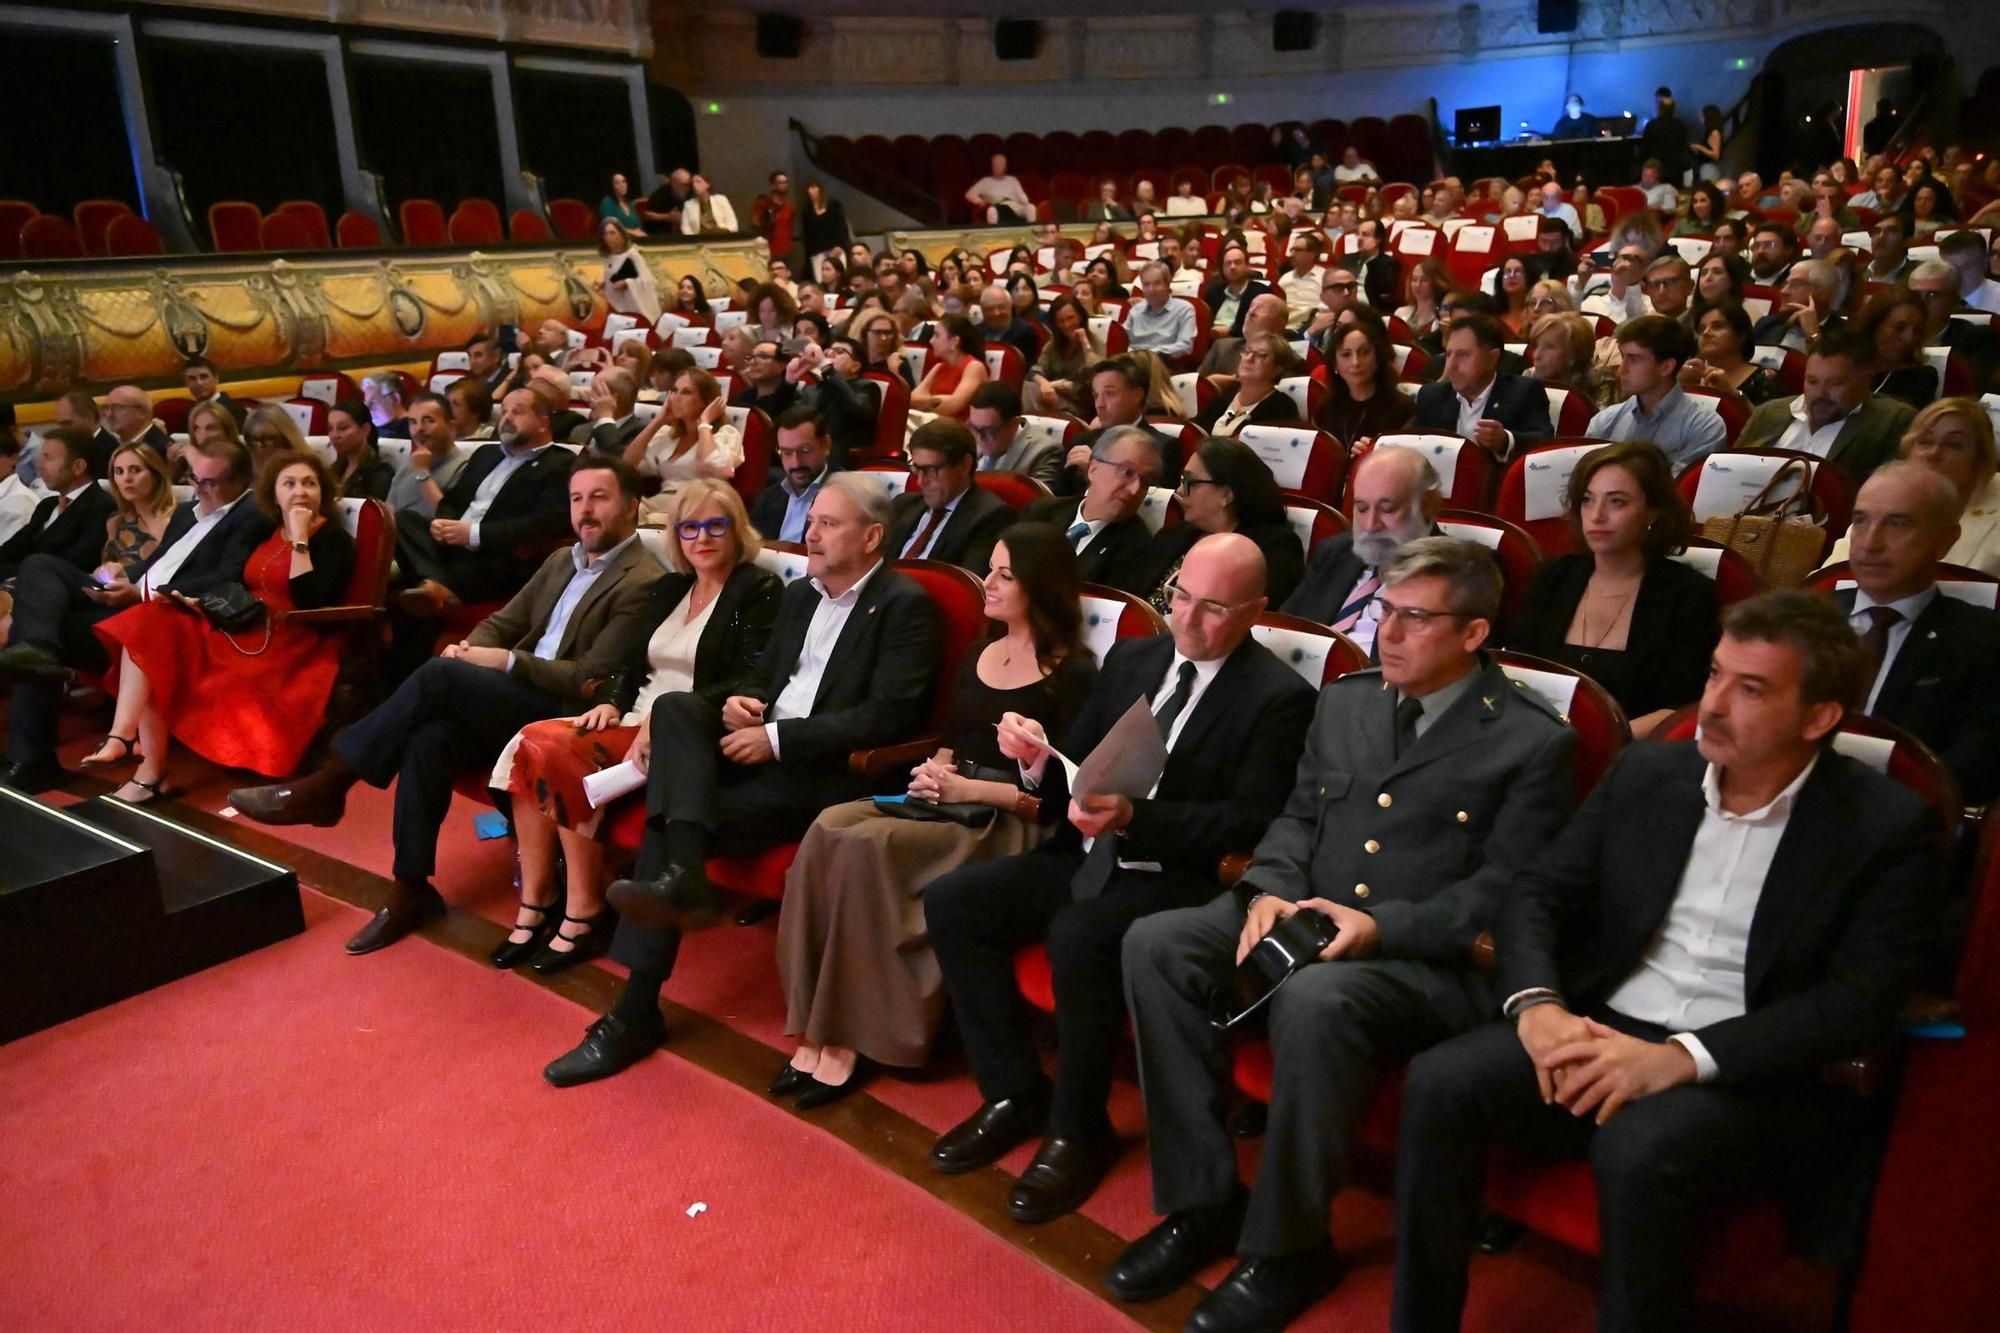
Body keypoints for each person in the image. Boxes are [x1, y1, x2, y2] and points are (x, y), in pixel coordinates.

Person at [1392, 589, 1947, 1333]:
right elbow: (1538, 893)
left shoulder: (1886, 825)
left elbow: (1860, 998)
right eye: (1715, 674)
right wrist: (1538, 1006)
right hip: (1605, 1019)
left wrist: (1683, 1059)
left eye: (1751, 689)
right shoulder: (1649, 773)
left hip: (1747, 1069)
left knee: (1640, 1147)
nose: (1712, 705)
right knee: (1442, 1081)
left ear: (1819, 717)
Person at [1110, 538, 1577, 1328]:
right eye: (1386, 610)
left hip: (1422, 956)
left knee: (1318, 999)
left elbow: (1505, 891)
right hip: (1305, 909)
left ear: (1473, 633)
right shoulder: (1350, 700)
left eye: (1415, 618)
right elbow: (1299, 815)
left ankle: (1289, 1247)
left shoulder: (1532, 739)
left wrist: (1379, 926)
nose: (1387, 632)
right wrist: (1269, 887)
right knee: (1156, 944)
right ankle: (1203, 1200)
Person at [923, 532, 1317, 1222]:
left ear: (1256, 611)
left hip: (1178, 875)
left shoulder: (1279, 696)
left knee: (1080, 935)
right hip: (1089, 854)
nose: (1187, 619)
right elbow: (1079, 765)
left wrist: (1138, 816)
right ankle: (1014, 1090)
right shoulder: (1136, 656)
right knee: (956, 901)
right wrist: (1036, 759)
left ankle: (1079, 1129)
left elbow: (1249, 821)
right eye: (1180, 597)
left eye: (1214, 608)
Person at [543, 474, 944, 1085]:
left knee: (671, 822)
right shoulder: (801, 595)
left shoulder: (903, 605)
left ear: (871, 537)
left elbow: (889, 716)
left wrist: (776, 738)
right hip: (758, 744)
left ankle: (634, 1009)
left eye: (828, 523)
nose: (811, 533)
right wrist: (745, 703)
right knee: (676, 709)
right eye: (812, 521)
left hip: (822, 773)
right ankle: (681, 880)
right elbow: (766, 676)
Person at [230, 456, 661, 949]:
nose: (584, 510)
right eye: (576, 498)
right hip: (517, 696)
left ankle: (330, 784)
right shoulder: (563, 560)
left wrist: (501, 662)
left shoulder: (642, 578)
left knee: (439, 675)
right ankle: (410, 887)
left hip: (567, 714)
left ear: (631, 506)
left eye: (599, 498)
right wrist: (469, 648)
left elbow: (589, 678)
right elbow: (503, 621)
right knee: (431, 736)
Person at [774, 523, 1097, 1105]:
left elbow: (1055, 799)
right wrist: (933, 771)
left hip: (1005, 822)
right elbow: (950, 742)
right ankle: (816, 1022)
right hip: (948, 799)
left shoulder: (1071, 673)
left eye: (1005, 575)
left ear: (1041, 587)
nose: (988, 584)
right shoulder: (979, 653)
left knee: (868, 849)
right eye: (990, 569)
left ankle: (862, 1039)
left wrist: (967, 789)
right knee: (828, 827)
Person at [492, 479, 781, 974]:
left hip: (686, 729)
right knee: (528, 743)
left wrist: (665, 712)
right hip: (632, 718)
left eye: (715, 525)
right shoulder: (669, 588)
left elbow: (750, 677)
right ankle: (536, 903)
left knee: (553, 751)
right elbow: (627, 665)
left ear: (737, 530)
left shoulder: (756, 590)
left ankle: (582, 912)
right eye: (689, 527)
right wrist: (610, 701)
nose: (702, 538)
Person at [82, 447, 356, 802]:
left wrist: (301, 538)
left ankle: (144, 768)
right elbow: (243, 584)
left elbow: (309, 599)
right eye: (289, 484)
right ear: (274, 494)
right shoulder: (270, 533)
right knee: (149, 624)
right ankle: (127, 744)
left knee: (157, 643)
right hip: (244, 626)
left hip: (293, 640)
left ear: (323, 491)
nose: (300, 492)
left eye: (309, 483)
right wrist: (202, 604)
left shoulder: (332, 539)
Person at [0, 436, 273, 793]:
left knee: (40, 633)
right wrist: (119, 575)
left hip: (167, 615)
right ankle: (38, 653)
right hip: (133, 599)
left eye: (211, 482)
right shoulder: (189, 511)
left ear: (241, 481)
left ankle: (33, 758)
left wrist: (141, 593)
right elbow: (157, 564)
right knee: (39, 571)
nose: (200, 489)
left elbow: (227, 577)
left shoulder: (250, 516)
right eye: (195, 479)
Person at [1510, 442, 1720, 734]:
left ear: (1653, 513)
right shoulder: (1554, 577)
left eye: (1617, 502)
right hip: (1535, 741)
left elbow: (1682, 708)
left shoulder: (1687, 594)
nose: (1597, 515)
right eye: (1587, 500)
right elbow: (1517, 671)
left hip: (1632, 751)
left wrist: (1599, 744)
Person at [1829, 461, 2000, 803]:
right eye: (1860, 520)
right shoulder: (1803, 620)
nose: (1870, 543)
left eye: (1897, 523)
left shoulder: (1982, 640)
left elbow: (1971, 770)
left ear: (1945, 540)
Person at [1283, 445, 1442, 644]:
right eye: (1361, 508)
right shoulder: (1335, 552)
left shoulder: (1453, 574)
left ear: (1427, 504)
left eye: (1387, 509)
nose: (1370, 525)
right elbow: (1285, 628)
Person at [1832, 399, 1999, 576]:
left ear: (1981, 458)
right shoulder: (1883, 497)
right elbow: (1832, 576)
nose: (1934, 453)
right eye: (1925, 442)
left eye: (1953, 445)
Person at [1138, 435, 1304, 611]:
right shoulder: (1174, 535)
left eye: (1189, 482)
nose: (1180, 491)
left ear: (1227, 494)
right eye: (1181, 480)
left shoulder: (1272, 549)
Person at [1736, 328, 1915, 479]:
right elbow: (1731, 471)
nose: (1820, 394)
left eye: (1835, 383)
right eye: (1812, 381)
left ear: (1866, 380)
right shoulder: (1768, 413)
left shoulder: (1892, 422)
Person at [1024, 425, 1161, 592]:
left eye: (1146, 482)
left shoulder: (1137, 550)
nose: (1134, 490)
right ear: (1093, 469)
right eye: (1127, 472)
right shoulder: (1042, 511)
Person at [1587, 316, 1727, 469]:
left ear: (1666, 367)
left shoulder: (1704, 427)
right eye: (1622, 357)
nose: (1621, 370)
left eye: (1634, 359)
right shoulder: (1604, 420)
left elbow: (1681, 484)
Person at [1412, 313, 1553, 461]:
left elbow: (1544, 441)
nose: (1451, 366)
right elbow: (1411, 442)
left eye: (1463, 355)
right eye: (1448, 354)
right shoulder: (1432, 396)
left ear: (1492, 358)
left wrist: (1505, 440)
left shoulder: (1523, 392)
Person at [887, 419, 1013, 574]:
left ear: (965, 465)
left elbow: (966, 584)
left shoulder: (991, 518)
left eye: (931, 470)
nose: (920, 481)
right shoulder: (903, 505)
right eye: (917, 468)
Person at [0, 428, 118, 584]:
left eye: (48, 458)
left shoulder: (101, 506)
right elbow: (10, 551)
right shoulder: (47, 506)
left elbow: (72, 564)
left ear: (78, 467)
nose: (40, 466)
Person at [625, 367, 744, 505]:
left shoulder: (725, 434)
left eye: (686, 392)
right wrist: (658, 420)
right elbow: (628, 464)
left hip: (698, 504)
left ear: (706, 401)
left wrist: (704, 422)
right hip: (661, 501)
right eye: (675, 391)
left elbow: (711, 463)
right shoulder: (668, 435)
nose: (676, 398)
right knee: (621, 511)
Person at [1316, 317, 1416, 448]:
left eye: (1365, 352)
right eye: (1346, 355)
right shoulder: (1324, 408)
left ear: (1378, 358)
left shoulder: (1402, 408)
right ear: (1334, 364)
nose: (1356, 362)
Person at [751, 406, 838, 544]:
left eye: (805, 450)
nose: (796, 462)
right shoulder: (767, 500)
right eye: (786, 452)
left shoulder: (846, 498)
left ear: (825, 445)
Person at [1194, 334, 1303, 441]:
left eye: (1261, 355)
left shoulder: (1282, 407)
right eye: (1247, 352)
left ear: (1277, 370)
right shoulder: (1224, 397)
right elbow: (1196, 432)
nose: (1249, 358)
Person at [386, 391, 473, 520]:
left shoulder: (465, 467)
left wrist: (422, 472)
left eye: (428, 420)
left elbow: (449, 519)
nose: (418, 429)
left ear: (450, 426)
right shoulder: (409, 463)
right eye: (413, 422)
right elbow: (389, 510)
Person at [1679, 299, 1785, 404]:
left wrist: (1732, 393)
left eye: (1718, 327)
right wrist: (1681, 386)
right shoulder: (1693, 376)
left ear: (1742, 335)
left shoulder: (1764, 378)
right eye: (1701, 329)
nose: (1706, 333)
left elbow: (1767, 415)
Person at [1027, 293, 1102, 419]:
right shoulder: (1053, 344)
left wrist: (1084, 341)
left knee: (1031, 391)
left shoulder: (1095, 343)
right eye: (1060, 321)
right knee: (1028, 387)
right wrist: (1045, 384)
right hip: (1051, 395)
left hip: (1079, 404)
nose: (1066, 325)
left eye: (1070, 318)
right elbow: (1036, 371)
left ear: (1080, 317)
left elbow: (1096, 374)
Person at [1751, 259, 1842, 353]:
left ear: (1822, 294)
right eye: (1785, 284)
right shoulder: (1768, 324)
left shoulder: (1845, 335)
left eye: (1795, 285)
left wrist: (1813, 333)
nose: (1783, 291)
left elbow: (1826, 361)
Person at [909, 315, 991, 420]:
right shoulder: (938, 367)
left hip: (958, 427)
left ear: (954, 341)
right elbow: (912, 399)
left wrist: (925, 402)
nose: (931, 341)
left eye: (937, 336)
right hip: (932, 423)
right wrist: (935, 401)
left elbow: (952, 406)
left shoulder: (974, 367)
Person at [324, 399, 395, 501]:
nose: (334, 435)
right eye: (330, 429)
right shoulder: (333, 470)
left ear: (365, 429)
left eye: (343, 428)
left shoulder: (380, 473)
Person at [1125, 262, 1198, 360]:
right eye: (1146, 284)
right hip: (1133, 361)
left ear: (1167, 284)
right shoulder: (1136, 310)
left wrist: (1149, 354)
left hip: (1164, 362)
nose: (1151, 289)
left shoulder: (1184, 309)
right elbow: (1122, 340)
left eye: (1157, 283)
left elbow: (1185, 346)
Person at [1203, 247, 1273, 342]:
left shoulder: (1260, 292)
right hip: (1212, 341)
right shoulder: (1213, 292)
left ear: (1247, 266)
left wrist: (1230, 331)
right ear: (1223, 269)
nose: (1232, 267)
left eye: (1237, 262)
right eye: (1228, 263)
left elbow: (1260, 327)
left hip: (1244, 342)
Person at [598, 219, 660, 324]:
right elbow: (612, 278)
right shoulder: (609, 257)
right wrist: (604, 284)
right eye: (605, 234)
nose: (608, 237)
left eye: (612, 233)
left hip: (634, 310)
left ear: (621, 234)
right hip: (616, 309)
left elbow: (648, 280)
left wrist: (627, 283)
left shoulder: (632, 255)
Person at [180, 358, 242, 445]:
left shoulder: (232, 410)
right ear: (186, 383)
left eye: (204, 377)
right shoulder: (190, 412)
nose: (199, 383)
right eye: (192, 379)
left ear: (216, 379)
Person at [976, 283, 1039, 367]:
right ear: (982, 311)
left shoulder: (1025, 331)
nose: (996, 313)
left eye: (1001, 307)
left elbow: (1026, 367)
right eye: (990, 309)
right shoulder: (974, 333)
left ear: (1010, 305)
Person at [966, 154, 1034, 225]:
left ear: (1005, 166)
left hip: (1014, 206)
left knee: (1031, 208)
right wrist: (980, 201)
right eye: (994, 164)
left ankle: (1032, 230)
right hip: (998, 207)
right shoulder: (985, 181)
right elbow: (969, 194)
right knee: (992, 210)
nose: (997, 167)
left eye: (1000, 164)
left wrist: (1025, 202)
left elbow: (1022, 198)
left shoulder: (1012, 180)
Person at [1276, 234, 1325, 330]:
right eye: (1292, 250)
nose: (1292, 254)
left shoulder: (1324, 277)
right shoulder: (1285, 278)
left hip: (1310, 326)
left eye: (1298, 250)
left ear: (1312, 254)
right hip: (1284, 326)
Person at [1351, 220, 1402, 310]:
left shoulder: (1388, 263)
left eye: (1365, 235)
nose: (1359, 238)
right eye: (1358, 234)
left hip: (1371, 309)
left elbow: (1384, 292)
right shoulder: (1346, 259)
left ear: (1378, 239)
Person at [359, 373, 411, 441]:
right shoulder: (370, 432)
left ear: (395, 398)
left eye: (373, 402)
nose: (369, 408)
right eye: (366, 403)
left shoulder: (413, 431)